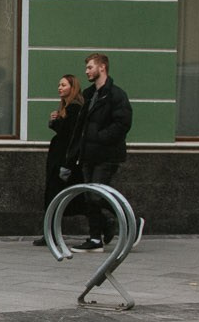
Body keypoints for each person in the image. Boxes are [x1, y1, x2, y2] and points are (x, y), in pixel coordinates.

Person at [65, 52, 133, 251]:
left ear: (102, 67)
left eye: (90, 67)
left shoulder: (115, 95)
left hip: (107, 155)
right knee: (89, 196)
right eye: (86, 68)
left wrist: (100, 137)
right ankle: (95, 239)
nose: (87, 71)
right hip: (88, 154)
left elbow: (123, 123)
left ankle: (130, 221)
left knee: (97, 195)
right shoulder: (88, 94)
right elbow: (80, 125)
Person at [34, 73, 86, 246]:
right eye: (59, 85)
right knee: (58, 197)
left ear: (73, 87)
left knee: (59, 197)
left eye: (63, 85)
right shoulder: (67, 108)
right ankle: (50, 233)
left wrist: (55, 122)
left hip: (64, 160)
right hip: (61, 159)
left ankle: (51, 234)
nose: (59, 88)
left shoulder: (74, 108)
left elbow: (68, 135)